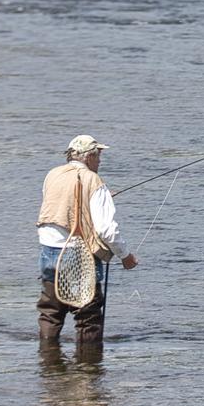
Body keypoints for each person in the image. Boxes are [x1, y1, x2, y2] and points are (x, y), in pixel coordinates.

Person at [36, 133, 139, 346]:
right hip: (79, 255)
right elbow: (106, 230)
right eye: (98, 155)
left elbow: (62, 206)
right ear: (89, 157)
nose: (100, 160)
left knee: (50, 312)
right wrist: (126, 256)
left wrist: (100, 196)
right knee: (88, 316)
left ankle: (47, 363)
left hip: (48, 251)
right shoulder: (94, 181)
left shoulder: (52, 175)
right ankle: (89, 370)